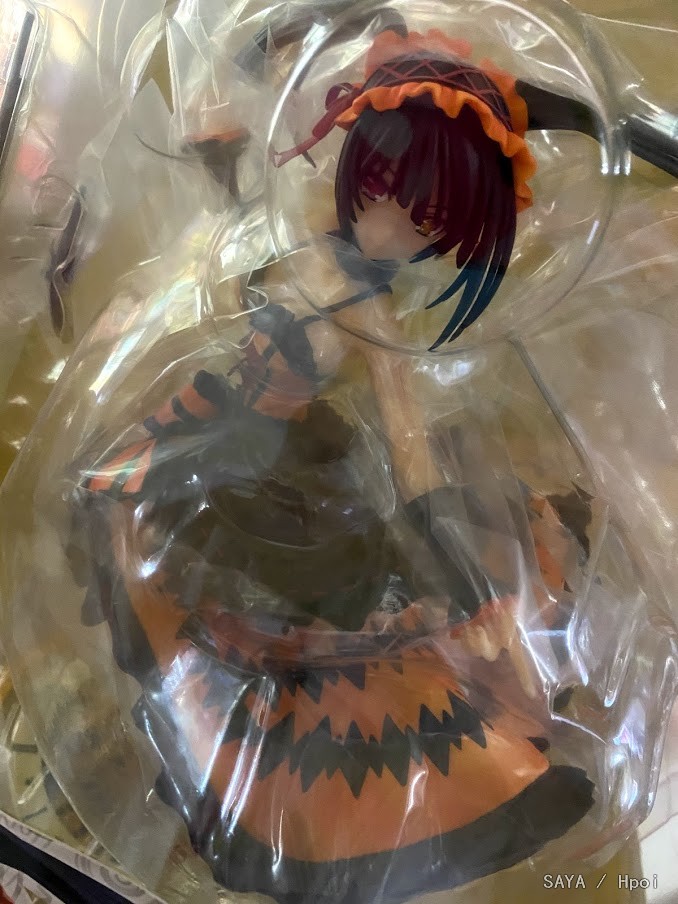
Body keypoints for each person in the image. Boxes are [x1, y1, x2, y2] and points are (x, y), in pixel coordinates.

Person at [68, 15, 596, 904]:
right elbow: (235, 255)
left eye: (429, 220)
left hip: (283, 462)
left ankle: (329, 806)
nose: (392, 227)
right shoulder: (296, 242)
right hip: (217, 427)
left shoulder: (371, 311)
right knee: (132, 537)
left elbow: (404, 426)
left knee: (309, 621)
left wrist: (436, 522)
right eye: (381, 189)